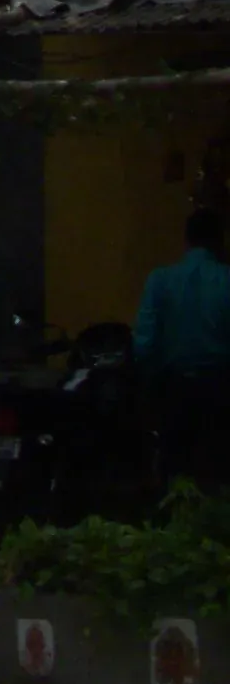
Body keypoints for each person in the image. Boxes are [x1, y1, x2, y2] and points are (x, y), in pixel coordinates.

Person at [135, 206, 230, 482]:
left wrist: (151, 385)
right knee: (217, 474)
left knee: (175, 475)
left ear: (186, 241)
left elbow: (144, 344)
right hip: (221, 390)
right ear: (218, 242)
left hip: (174, 390)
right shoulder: (226, 279)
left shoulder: (160, 281)